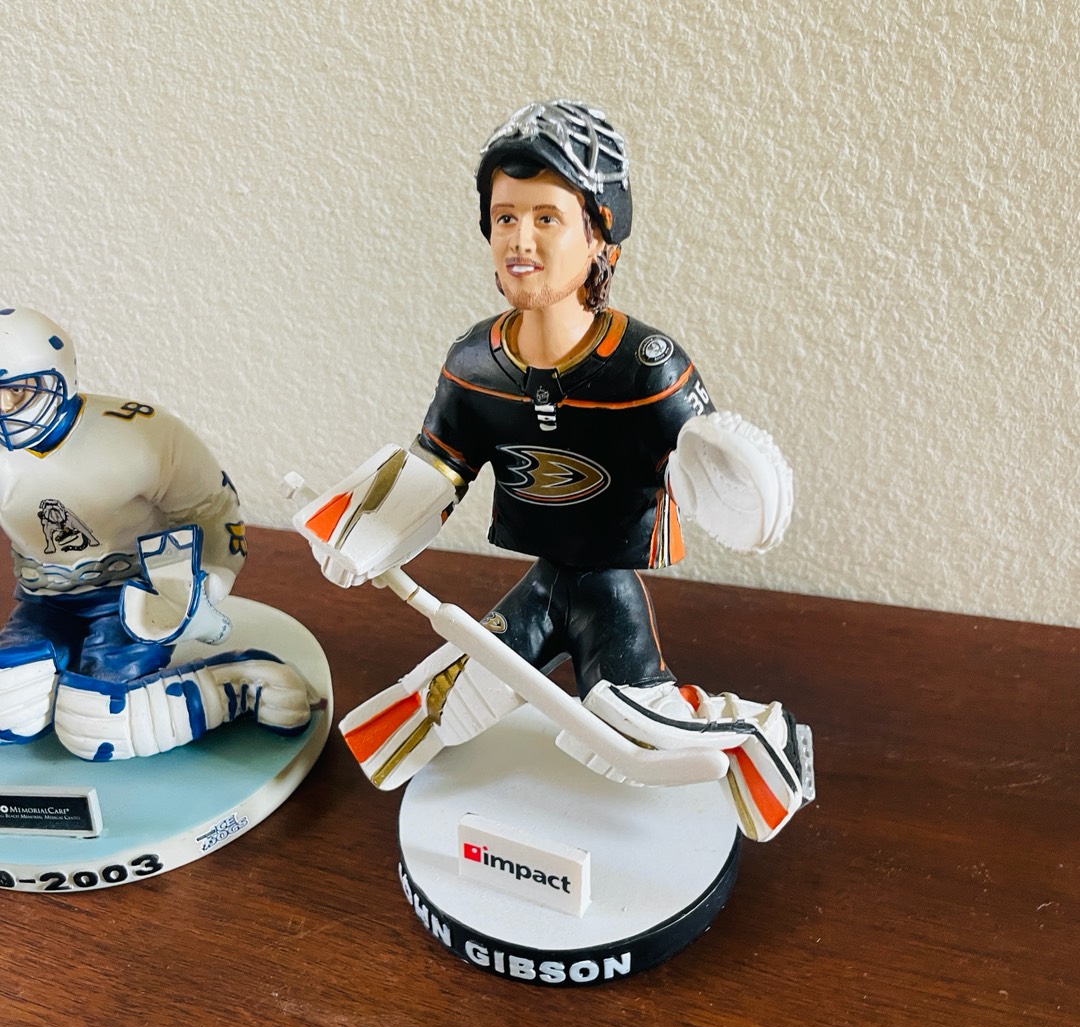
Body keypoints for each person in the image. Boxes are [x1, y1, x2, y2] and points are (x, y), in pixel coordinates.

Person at [297, 101, 813, 840]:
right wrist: (363, 532)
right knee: (449, 697)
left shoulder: (647, 369)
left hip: (606, 586)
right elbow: (437, 467)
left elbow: (709, 465)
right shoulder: (474, 363)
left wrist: (729, 478)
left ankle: (764, 736)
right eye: (505, 217)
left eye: (546, 217)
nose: (520, 239)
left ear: (601, 236)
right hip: (544, 582)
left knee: (631, 723)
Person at [0, 305, 311, 760]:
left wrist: (212, 575)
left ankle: (234, 684)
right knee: (7, 709)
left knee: (98, 725)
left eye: (15, 391)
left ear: (59, 378)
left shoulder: (141, 434)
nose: (4, 411)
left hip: (131, 595)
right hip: (43, 596)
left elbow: (209, 505)